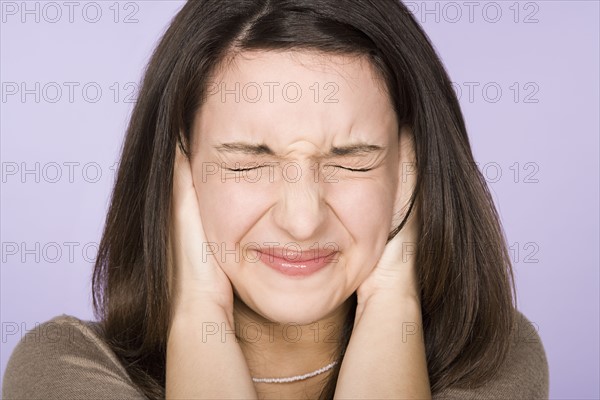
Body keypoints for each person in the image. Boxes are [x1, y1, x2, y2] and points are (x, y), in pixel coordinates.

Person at [2, 1, 549, 399]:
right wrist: (198, 315)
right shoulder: (65, 368)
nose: (302, 219)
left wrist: (392, 304)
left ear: (413, 169)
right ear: (177, 170)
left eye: (351, 159)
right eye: (248, 161)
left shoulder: (494, 361)